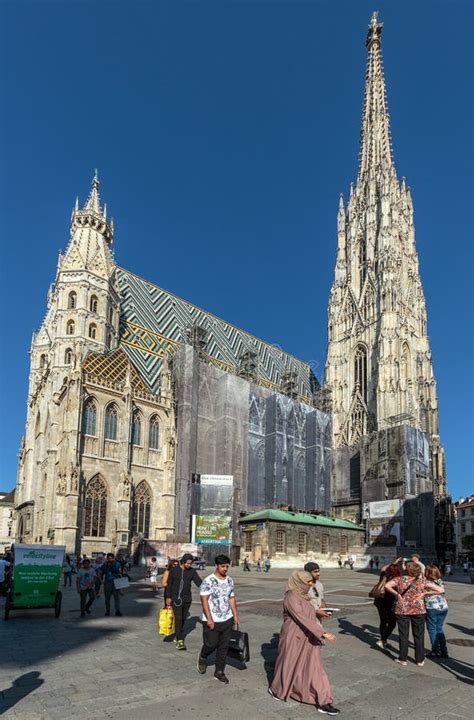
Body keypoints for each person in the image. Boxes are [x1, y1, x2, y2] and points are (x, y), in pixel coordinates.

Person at [269, 571, 340, 715]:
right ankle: (278, 689)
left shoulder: (303, 595)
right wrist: (323, 633)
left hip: (309, 637)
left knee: (314, 667)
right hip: (293, 637)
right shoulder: (290, 596)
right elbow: (300, 616)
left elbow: (306, 612)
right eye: (308, 582)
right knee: (288, 665)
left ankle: (323, 700)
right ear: (298, 581)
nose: (310, 585)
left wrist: (318, 612)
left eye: (311, 582)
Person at [385, 560, 445, 666]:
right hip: (419, 610)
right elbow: (440, 590)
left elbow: (387, 586)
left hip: (402, 609)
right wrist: (425, 593)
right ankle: (420, 660)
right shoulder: (422, 581)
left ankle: (403, 659)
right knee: (419, 635)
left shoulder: (399, 579)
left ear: (407, 569)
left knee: (403, 635)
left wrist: (397, 594)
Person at [197, 554, 239, 684]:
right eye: (222, 566)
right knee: (211, 644)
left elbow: (231, 598)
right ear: (216, 566)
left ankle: (219, 671)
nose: (225, 569)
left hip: (227, 618)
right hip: (212, 619)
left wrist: (235, 615)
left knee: (223, 646)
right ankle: (203, 656)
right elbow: (204, 600)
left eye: (227, 566)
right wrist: (209, 619)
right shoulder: (208, 581)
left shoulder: (230, 580)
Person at [165, 553, 202, 650]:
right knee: (178, 618)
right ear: (183, 561)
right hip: (175, 599)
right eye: (187, 563)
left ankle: (178, 634)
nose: (189, 565)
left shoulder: (192, 571)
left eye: (190, 563)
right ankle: (180, 640)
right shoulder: (174, 570)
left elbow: (199, 582)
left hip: (187, 599)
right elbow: (169, 585)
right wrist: (168, 597)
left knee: (183, 619)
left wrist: (208, 589)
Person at [372, 562, 401, 650]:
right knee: (392, 622)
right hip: (389, 602)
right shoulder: (396, 580)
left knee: (383, 620)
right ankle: (382, 640)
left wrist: (392, 563)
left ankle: (383, 640)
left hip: (379, 601)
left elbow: (383, 568)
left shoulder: (383, 575)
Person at [424, 564, 449, 659]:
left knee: (432, 629)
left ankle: (435, 651)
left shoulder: (427, 582)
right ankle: (444, 651)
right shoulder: (439, 580)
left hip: (432, 608)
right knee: (439, 629)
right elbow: (442, 591)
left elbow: (441, 590)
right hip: (443, 607)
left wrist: (426, 592)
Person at [100, 552, 123, 617]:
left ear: (113, 558)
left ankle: (117, 611)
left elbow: (120, 571)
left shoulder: (117, 563)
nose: (109, 559)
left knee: (117, 598)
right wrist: (101, 580)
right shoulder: (105, 564)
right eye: (108, 558)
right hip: (107, 583)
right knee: (107, 599)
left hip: (116, 582)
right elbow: (100, 571)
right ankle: (108, 611)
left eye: (110, 558)